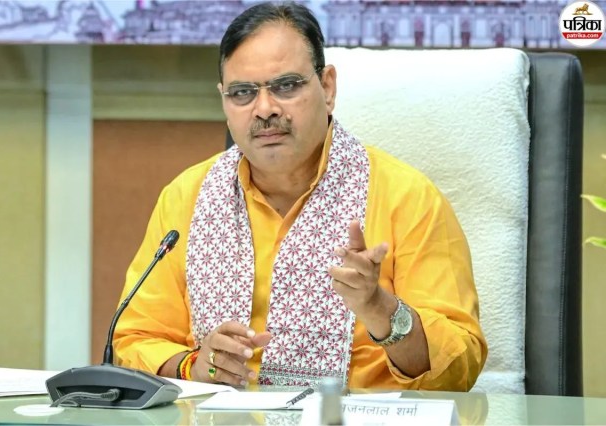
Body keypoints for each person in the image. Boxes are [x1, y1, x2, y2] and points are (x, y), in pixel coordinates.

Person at [114, 1, 487, 391]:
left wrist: (381, 309)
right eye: (242, 93)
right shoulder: (186, 197)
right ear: (224, 102)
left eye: (286, 86)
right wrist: (193, 366)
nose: (264, 109)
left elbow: (459, 368)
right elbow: (134, 340)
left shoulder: (407, 199)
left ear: (327, 88)